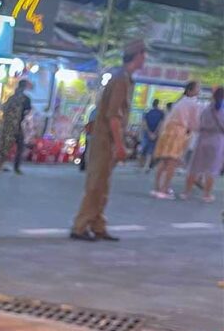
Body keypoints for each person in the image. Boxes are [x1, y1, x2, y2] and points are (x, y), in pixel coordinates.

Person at [70, 40, 146, 242]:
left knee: (103, 185)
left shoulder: (126, 78)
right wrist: (120, 145)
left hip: (109, 139)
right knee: (96, 184)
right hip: (104, 140)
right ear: (136, 56)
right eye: (143, 54)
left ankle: (97, 224)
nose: (145, 59)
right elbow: (113, 116)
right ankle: (80, 225)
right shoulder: (120, 80)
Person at [152, 81, 202, 199]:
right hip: (179, 133)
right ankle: (164, 189)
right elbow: (195, 122)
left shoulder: (179, 101)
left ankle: (157, 187)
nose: (199, 90)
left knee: (164, 161)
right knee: (172, 162)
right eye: (197, 88)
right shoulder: (193, 103)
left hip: (167, 132)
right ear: (191, 90)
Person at [181, 86, 224, 203]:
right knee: (212, 169)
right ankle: (207, 195)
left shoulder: (205, 109)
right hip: (217, 141)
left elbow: (199, 123)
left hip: (202, 139)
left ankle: (186, 192)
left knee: (195, 167)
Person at [0, 80, 32, 174]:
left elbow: (3, 108)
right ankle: (16, 168)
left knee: (3, 144)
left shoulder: (11, 97)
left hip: (6, 125)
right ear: (25, 86)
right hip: (16, 126)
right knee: (20, 146)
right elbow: (27, 112)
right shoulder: (25, 98)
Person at [139, 99, 165, 170]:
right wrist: (155, 133)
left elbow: (144, 123)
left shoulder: (147, 112)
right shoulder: (161, 113)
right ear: (158, 104)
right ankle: (147, 165)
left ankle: (142, 164)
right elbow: (160, 124)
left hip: (147, 134)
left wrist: (149, 132)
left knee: (144, 148)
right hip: (155, 134)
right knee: (152, 149)